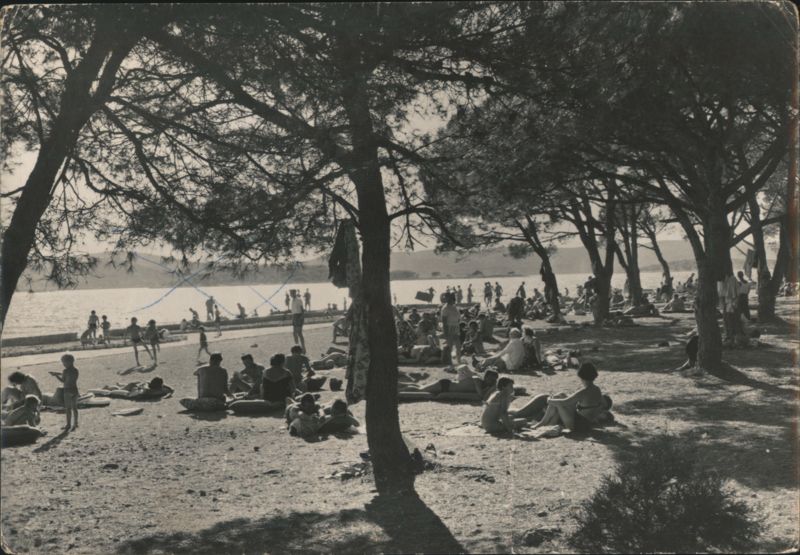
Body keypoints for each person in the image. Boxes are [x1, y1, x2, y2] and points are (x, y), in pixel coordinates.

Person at [531, 362, 605, 432]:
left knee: (557, 401)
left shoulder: (584, 391)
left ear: (581, 376)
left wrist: (549, 400)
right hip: (586, 423)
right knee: (561, 395)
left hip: (578, 425)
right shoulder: (597, 389)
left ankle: (542, 423)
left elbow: (564, 402)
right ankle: (548, 423)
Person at [400, 368, 498, 400]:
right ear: (486, 377)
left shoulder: (484, 385)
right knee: (421, 390)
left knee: (420, 387)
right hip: (445, 385)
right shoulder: (477, 380)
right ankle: (401, 390)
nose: (492, 382)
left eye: (494, 380)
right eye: (491, 379)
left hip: (447, 387)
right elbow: (481, 396)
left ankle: (401, 385)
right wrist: (493, 387)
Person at [53, 353, 80, 431]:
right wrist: (59, 373)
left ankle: (68, 424)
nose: (63, 364)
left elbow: (63, 380)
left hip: (67, 390)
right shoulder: (76, 370)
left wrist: (56, 375)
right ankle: (75, 423)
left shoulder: (65, 371)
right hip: (75, 390)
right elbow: (70, 377)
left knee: (68, 408)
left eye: (64, 362)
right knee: (75, 408)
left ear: (68, 362)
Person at [440, 293, 462, 364]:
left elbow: (458, 319)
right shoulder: (445, 308)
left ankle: (459, 361)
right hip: (449, 328)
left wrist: (457, 326)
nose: (454, 300)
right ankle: (450, 362)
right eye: (452, 299)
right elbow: (444, 321)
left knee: (458, 346)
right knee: (450, 346)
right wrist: (445, 332)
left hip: (455, 327)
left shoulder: (455, 307)